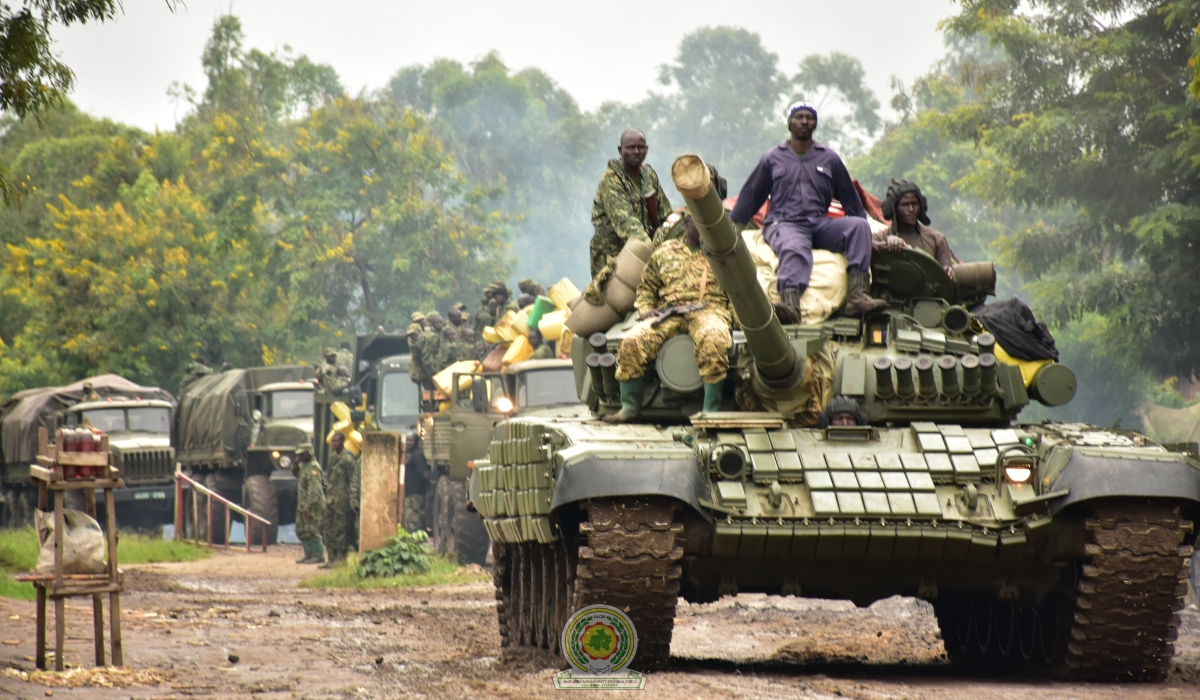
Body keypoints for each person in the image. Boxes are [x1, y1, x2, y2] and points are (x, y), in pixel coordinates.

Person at [731, 102, 887, 317]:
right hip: (784, 222)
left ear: (815, 124)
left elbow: (851, 200)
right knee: (795, 248)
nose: (805, 122)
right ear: (790, 123)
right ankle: (791, 306)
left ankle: (858, 296)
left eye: (810, 118)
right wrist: (732, 226)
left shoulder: (829, 158)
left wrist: (868, 237)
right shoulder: (773, 158)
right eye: (799, 117)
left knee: (859, 226)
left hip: (818, 223)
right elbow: (751, 195)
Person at [612, 215, 731, 421]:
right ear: (686, 224)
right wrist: (647, 309)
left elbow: (738, 291)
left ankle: (710, 411)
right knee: (632, 342)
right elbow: (647, 287)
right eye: (698, 222)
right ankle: (630, 407)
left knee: (714, 340)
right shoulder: (665, 252)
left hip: (709, 310)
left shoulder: (723, 253)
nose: (704, 227)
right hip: (669, 312)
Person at [589, 129, 674, 277]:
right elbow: (626, 223)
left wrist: (673, 235)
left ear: (646, 150)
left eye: (641, 147)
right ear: (620, 150)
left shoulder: (649, 175)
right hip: (611, 257)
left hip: (642, 252)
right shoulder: (611, 180)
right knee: (615, 298)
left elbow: (665, 214)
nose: (636, 151)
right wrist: (657, 247)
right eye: (630, 147)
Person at [876, 179, 959, 280]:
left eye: (914, 204)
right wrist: (886, 241)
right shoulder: (880, 236)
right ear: (893, 208)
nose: (911, 209)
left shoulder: (936, 239)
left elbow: (948, 275)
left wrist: (948, 272)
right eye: (905, 204)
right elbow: (862, 246)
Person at [320, 432, 360, 569]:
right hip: (331, 501)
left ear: (342, 442)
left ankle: (341, 559)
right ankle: (331, 558)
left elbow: (353, 481)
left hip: (342, 503)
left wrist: (353, 501)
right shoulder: (333, 457)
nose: (334, 444)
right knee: (329, 530)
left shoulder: (348, 459)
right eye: (332, 441)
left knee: (341, 531)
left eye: (336, 441)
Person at [292, 443, 325, 564]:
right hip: (303, 504)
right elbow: (296, 474)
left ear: (309, 453)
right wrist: (295, 464)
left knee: (312, 530)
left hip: (312, 504)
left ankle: (318, 555)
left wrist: (308, 506)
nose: (299, 456)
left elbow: (314, 490)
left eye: (302, 454)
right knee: (301, 530)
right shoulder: (305, 466)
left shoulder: (313, 468)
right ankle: (308, 554)